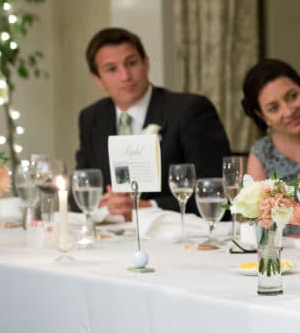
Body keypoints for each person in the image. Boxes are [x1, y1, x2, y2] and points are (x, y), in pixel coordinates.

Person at [76, 27, 232, 219]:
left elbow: (217, 190)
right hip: (113, 235)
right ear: (97, 79)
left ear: (146, 63)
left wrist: (148, 206)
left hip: (178, 237)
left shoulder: (189, 110)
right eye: (112, 69)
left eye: (131, 63)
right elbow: (79, 189)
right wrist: (102, 202)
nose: (125, 76)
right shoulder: (92, 118)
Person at [240, 59, 300, 182]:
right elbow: (255, 201)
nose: (289, 112)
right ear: (262, 116)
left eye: (293, 96)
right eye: (274, 108)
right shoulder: (262, 153)